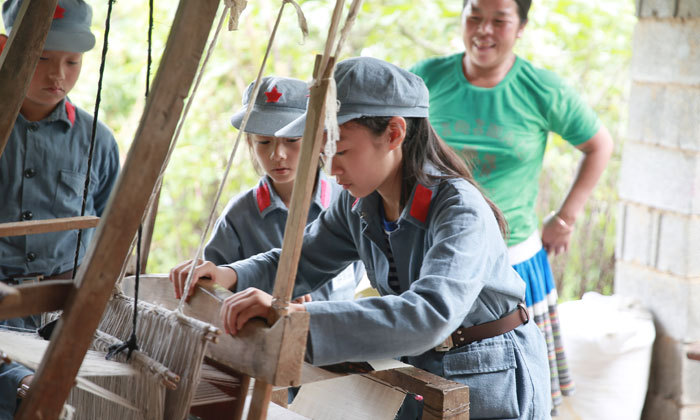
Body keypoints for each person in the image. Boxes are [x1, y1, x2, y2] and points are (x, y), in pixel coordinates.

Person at [171, 56, 552, 419]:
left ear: (394, 133)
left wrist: (296, 317)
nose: (331, 168)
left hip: (491, 379)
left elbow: (429, 314)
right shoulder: (359, 204)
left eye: (341, 150)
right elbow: (299, 260)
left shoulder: (459, 209)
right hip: (421, 373)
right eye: (323, 152)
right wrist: (227, 275)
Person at [409, 0, 614, 413]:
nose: (484, 30)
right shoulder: (427, 77)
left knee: (522, 393)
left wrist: (566, 217)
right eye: (475, 17)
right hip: (433, 254)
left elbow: (599, 145)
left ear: (520, 27)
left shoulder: (540, 88)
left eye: (499, 21)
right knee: (423, 388)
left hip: (514, 263)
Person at [0, 0, 120, 417]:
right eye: (43, 58)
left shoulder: (98, 143)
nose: (58, 75)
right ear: (4, 47)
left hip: (63, 317)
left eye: (72, 61)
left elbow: (111, 236)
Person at [171, 75, 357, 304]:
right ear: (250, 143)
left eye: (291, 140)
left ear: (317, 139)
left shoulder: (348, 203)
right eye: (264, 142)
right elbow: (213, 296)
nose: (277, 154)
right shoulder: (238, 216)